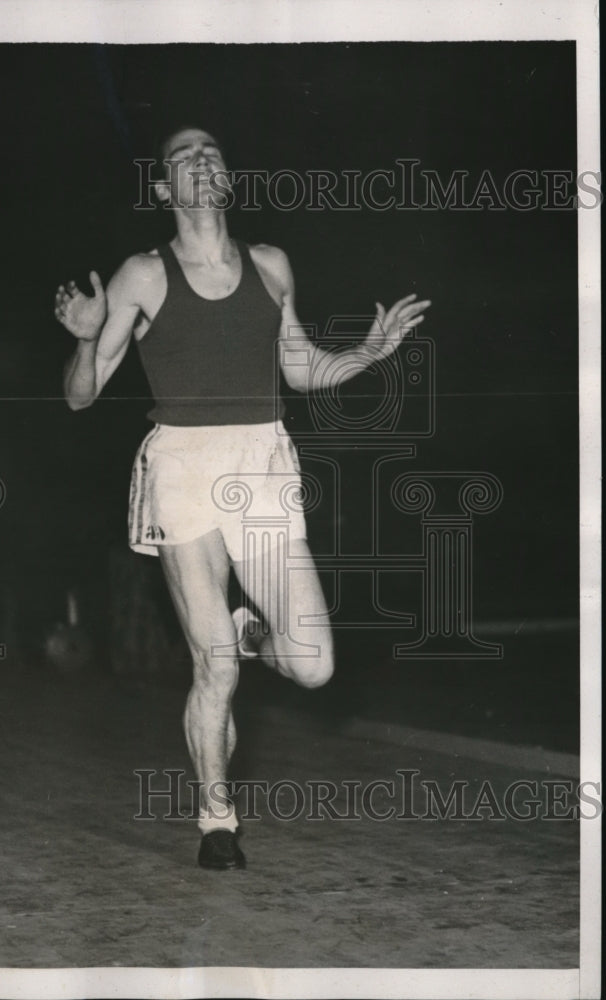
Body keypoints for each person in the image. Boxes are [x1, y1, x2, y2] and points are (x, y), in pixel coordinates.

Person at [56, 126, 430, 870]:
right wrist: (85, 338)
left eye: (212, 152)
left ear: (227, 177)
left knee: (315, 661)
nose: (201, 160)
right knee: (216, 668)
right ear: (163, 188)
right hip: (183, 470)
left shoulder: (271, 266)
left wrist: (367, 353)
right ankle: (216, 821)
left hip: (260, 463)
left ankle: (251, 633)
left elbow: (301, 370)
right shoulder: (143, 274)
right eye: (182, 156)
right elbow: (81, 396)